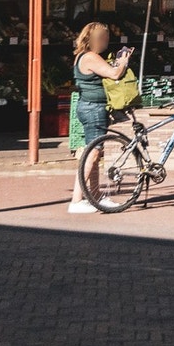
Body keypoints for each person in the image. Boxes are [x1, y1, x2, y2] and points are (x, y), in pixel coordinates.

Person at [68, 22, 133, 214]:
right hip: (93, 108)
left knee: (95, 153)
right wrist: (123, 61)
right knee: (93, 152)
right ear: (97, 39)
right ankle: (76, 200)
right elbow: (113, 74)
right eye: (105, 38)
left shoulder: (86, 56)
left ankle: (94, 195)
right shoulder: (89, 57)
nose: (107, 41)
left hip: (93, 107)